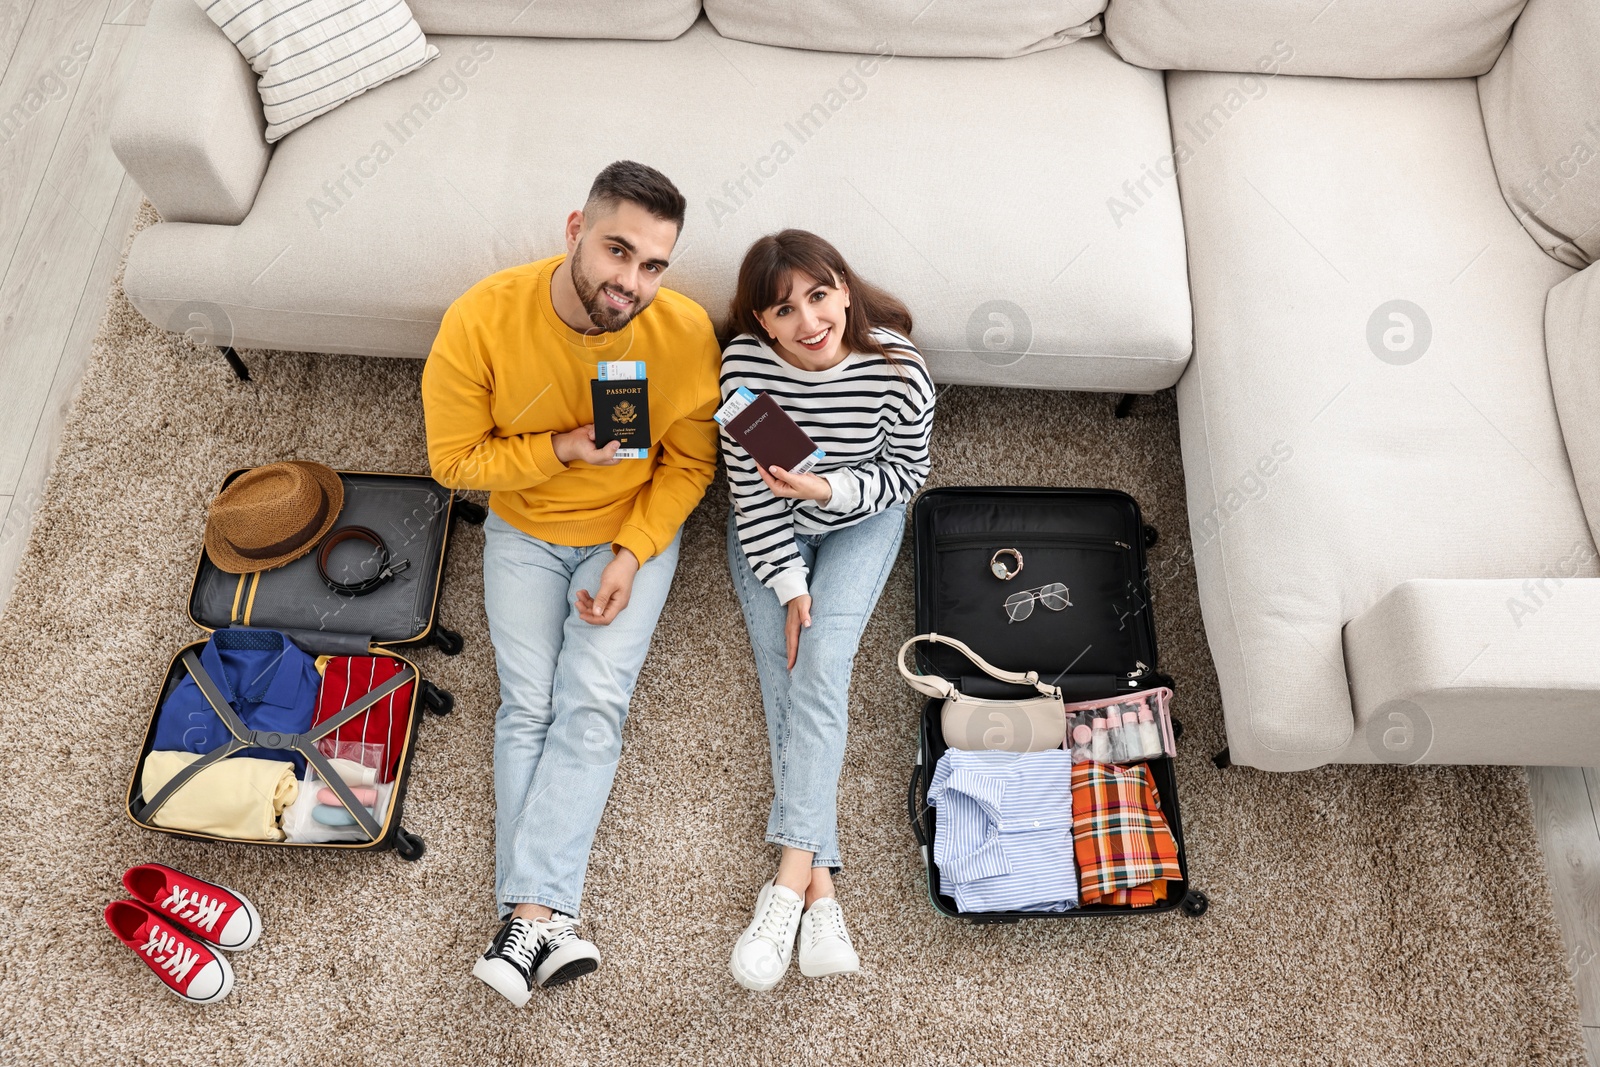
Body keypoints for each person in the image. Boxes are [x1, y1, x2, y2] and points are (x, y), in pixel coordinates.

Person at [422, 161, 720, 1006]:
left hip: (628, 535)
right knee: (526, 702)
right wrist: (558, 451)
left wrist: (632, 552)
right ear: (573, 231)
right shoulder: (482, 319)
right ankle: (543, 919)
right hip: (522, 524)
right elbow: (452, 461)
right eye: (617, 251)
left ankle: (525, 920)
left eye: (653, 265)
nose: (631, 282)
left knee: (591, 699)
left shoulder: (681, 335)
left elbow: (692, 462)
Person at [720, 230, 936, 990]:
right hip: (774, 533)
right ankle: (823, 894)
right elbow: (751, 496)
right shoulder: (745, 370)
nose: (809, 321)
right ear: (762, 321)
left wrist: (824, 491)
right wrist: (788, 584)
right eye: (786, 309)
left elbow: (904, 474)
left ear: (845, 289)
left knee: (823, 663)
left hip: (861, 517)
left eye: (820, 295)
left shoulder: (898, 372)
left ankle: (783, 886)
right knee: (789, 675)